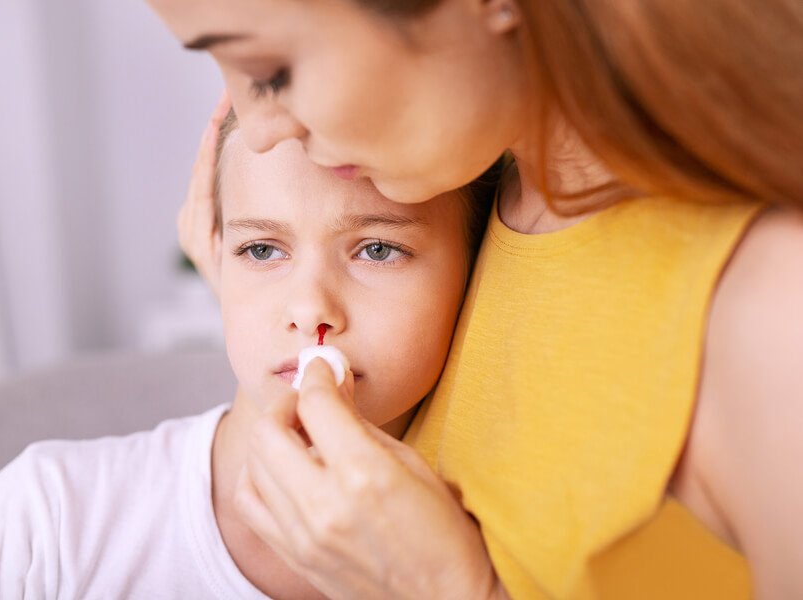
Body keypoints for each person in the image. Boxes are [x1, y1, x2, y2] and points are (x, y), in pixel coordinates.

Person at [149, 0, 803, 597]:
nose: (260, 130)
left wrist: (451, 587)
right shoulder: (490, 198)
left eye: (272, 67)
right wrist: (254, 274)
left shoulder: (771, 307)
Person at [0, 110, 498, 598]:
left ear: (475, 276)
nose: (309, 309)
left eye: (377, 249)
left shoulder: (497, 556)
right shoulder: (50, 517)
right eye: (263, 249)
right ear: (216, 256)